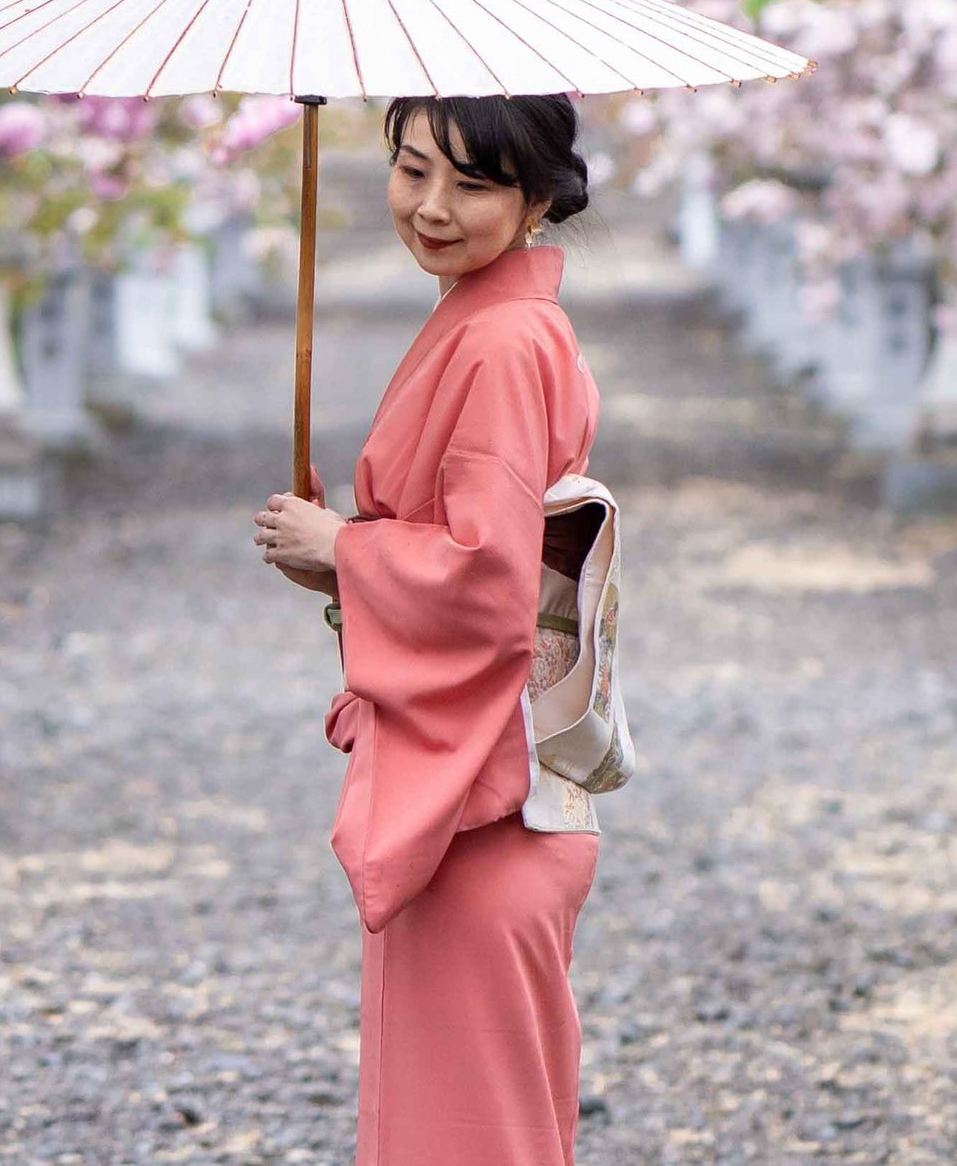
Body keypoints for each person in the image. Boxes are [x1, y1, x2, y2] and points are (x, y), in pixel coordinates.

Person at [253, 92, 602, 1166]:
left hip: (478, 810)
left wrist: (345, 552)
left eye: (474, 183)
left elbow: (486, 583)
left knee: (464, 1140)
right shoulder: (496, 319)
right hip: (505, 791)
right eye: (411, 172)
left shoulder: (497, 341)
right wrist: (357, 546)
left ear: (537, 196)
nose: (431, 207)